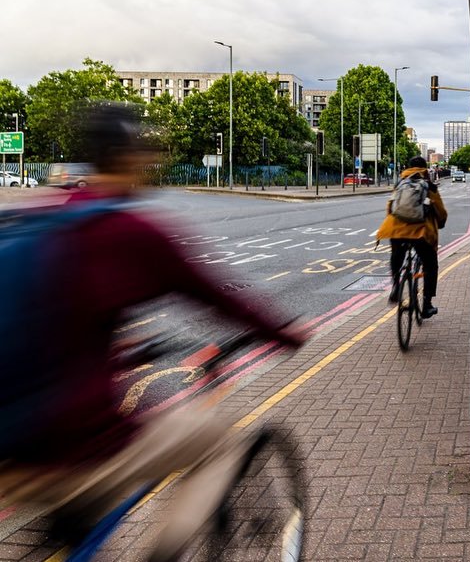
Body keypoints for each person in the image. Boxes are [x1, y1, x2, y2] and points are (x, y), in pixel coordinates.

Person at [0, 103, 305, 558]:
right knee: (217, 441)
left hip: (13, 448)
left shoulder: (47, 220)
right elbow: (216, 295)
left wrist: (126, 347)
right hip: (80, 447)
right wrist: (284, 332)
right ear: (128, 157)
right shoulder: (129, 230)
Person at [378, 155, 448, 318]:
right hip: (420, 233)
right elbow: (441, 212)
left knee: (396, 255)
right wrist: (441, 222)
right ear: (425, 168)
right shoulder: (429, 186)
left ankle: (396, 285)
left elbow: (390, 207)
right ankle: (427, 304)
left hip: (396, 228)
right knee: (430, 263)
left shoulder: (400, 183)